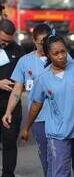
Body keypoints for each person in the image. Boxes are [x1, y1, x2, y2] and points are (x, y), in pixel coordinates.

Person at [20, 34, 74, 177]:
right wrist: (26, 128)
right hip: (58, 135)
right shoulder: (43, 78)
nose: (61, 56)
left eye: (63, 51)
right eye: (56, 53)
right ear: (48, 55)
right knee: (60, 172)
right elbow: (36, 104)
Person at [2, 23, 51, 176]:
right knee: (46, 156)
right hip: (37, 118)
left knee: (60, 158)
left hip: (59, 118)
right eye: (41, 41)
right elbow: (19, 88)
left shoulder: (59, 56)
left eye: (47, 40)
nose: (43, 45)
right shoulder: (26, 60)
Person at [0, 19, 25, 177]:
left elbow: (25, 74)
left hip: (12, 103)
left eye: (8, 40)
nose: (5, 44)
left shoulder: (18, 50)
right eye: (2, 40)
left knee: (9, 142)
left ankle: (8, 174)